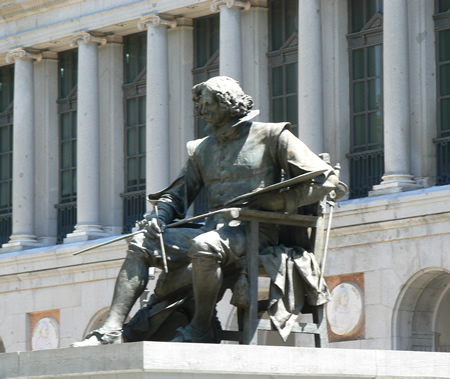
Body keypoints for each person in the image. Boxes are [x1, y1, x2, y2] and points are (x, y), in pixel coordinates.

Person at [71, 76, 338, 346]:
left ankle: (199, 328)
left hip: (256, 232)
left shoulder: (272, 135)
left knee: (204, 245)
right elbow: (175, 197)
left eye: (209, 104)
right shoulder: (202, 149)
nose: (202, 111)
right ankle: (111, 329)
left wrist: (276, 203)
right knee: (142, 242)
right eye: (201, 105)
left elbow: (327, 180)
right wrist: (158, 217)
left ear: (228, 104)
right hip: (214, 230)